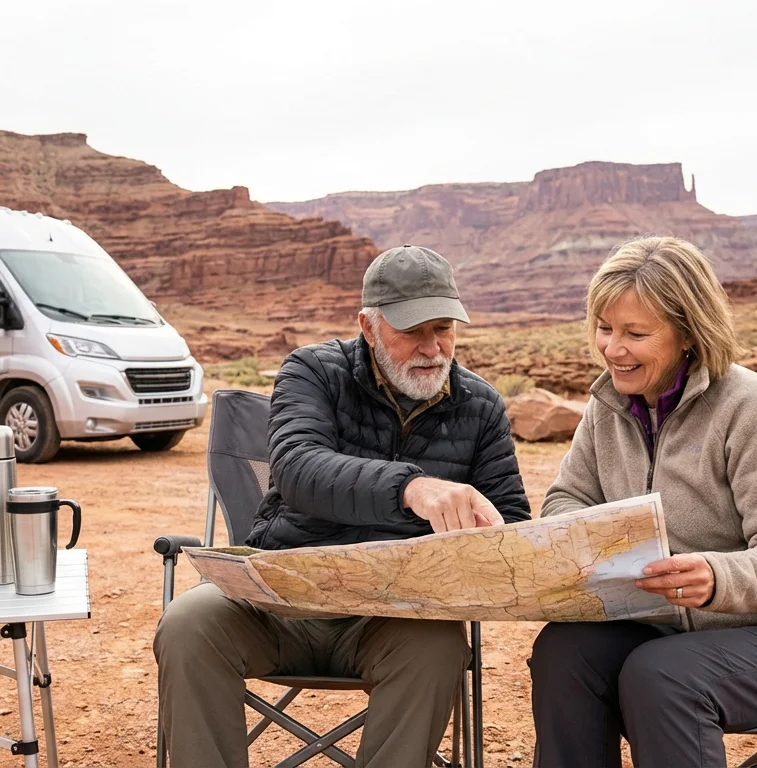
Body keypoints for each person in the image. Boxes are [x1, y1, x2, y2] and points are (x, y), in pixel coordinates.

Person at [155, 244, 531, 767]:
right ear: (368, 326)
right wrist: (413, 488)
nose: (432, 348)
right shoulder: (312, 372)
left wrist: (490, 544)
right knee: (188, 623)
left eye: (443, 328)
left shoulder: (480, 406)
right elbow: (296, 469)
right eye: (411, 331)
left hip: (397, 616)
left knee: (439, 648)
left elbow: (511, 523)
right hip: (278, 599)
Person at [530, 236, 757, 768]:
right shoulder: (609, 406)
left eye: (635, 334)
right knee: (565, 652)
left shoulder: (750, 407)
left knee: (661, 674)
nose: (612, 349)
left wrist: (716, 576)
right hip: (667, 630)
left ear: (688, 332)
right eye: (604, 328)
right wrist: (585, 538)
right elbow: (567, 498)